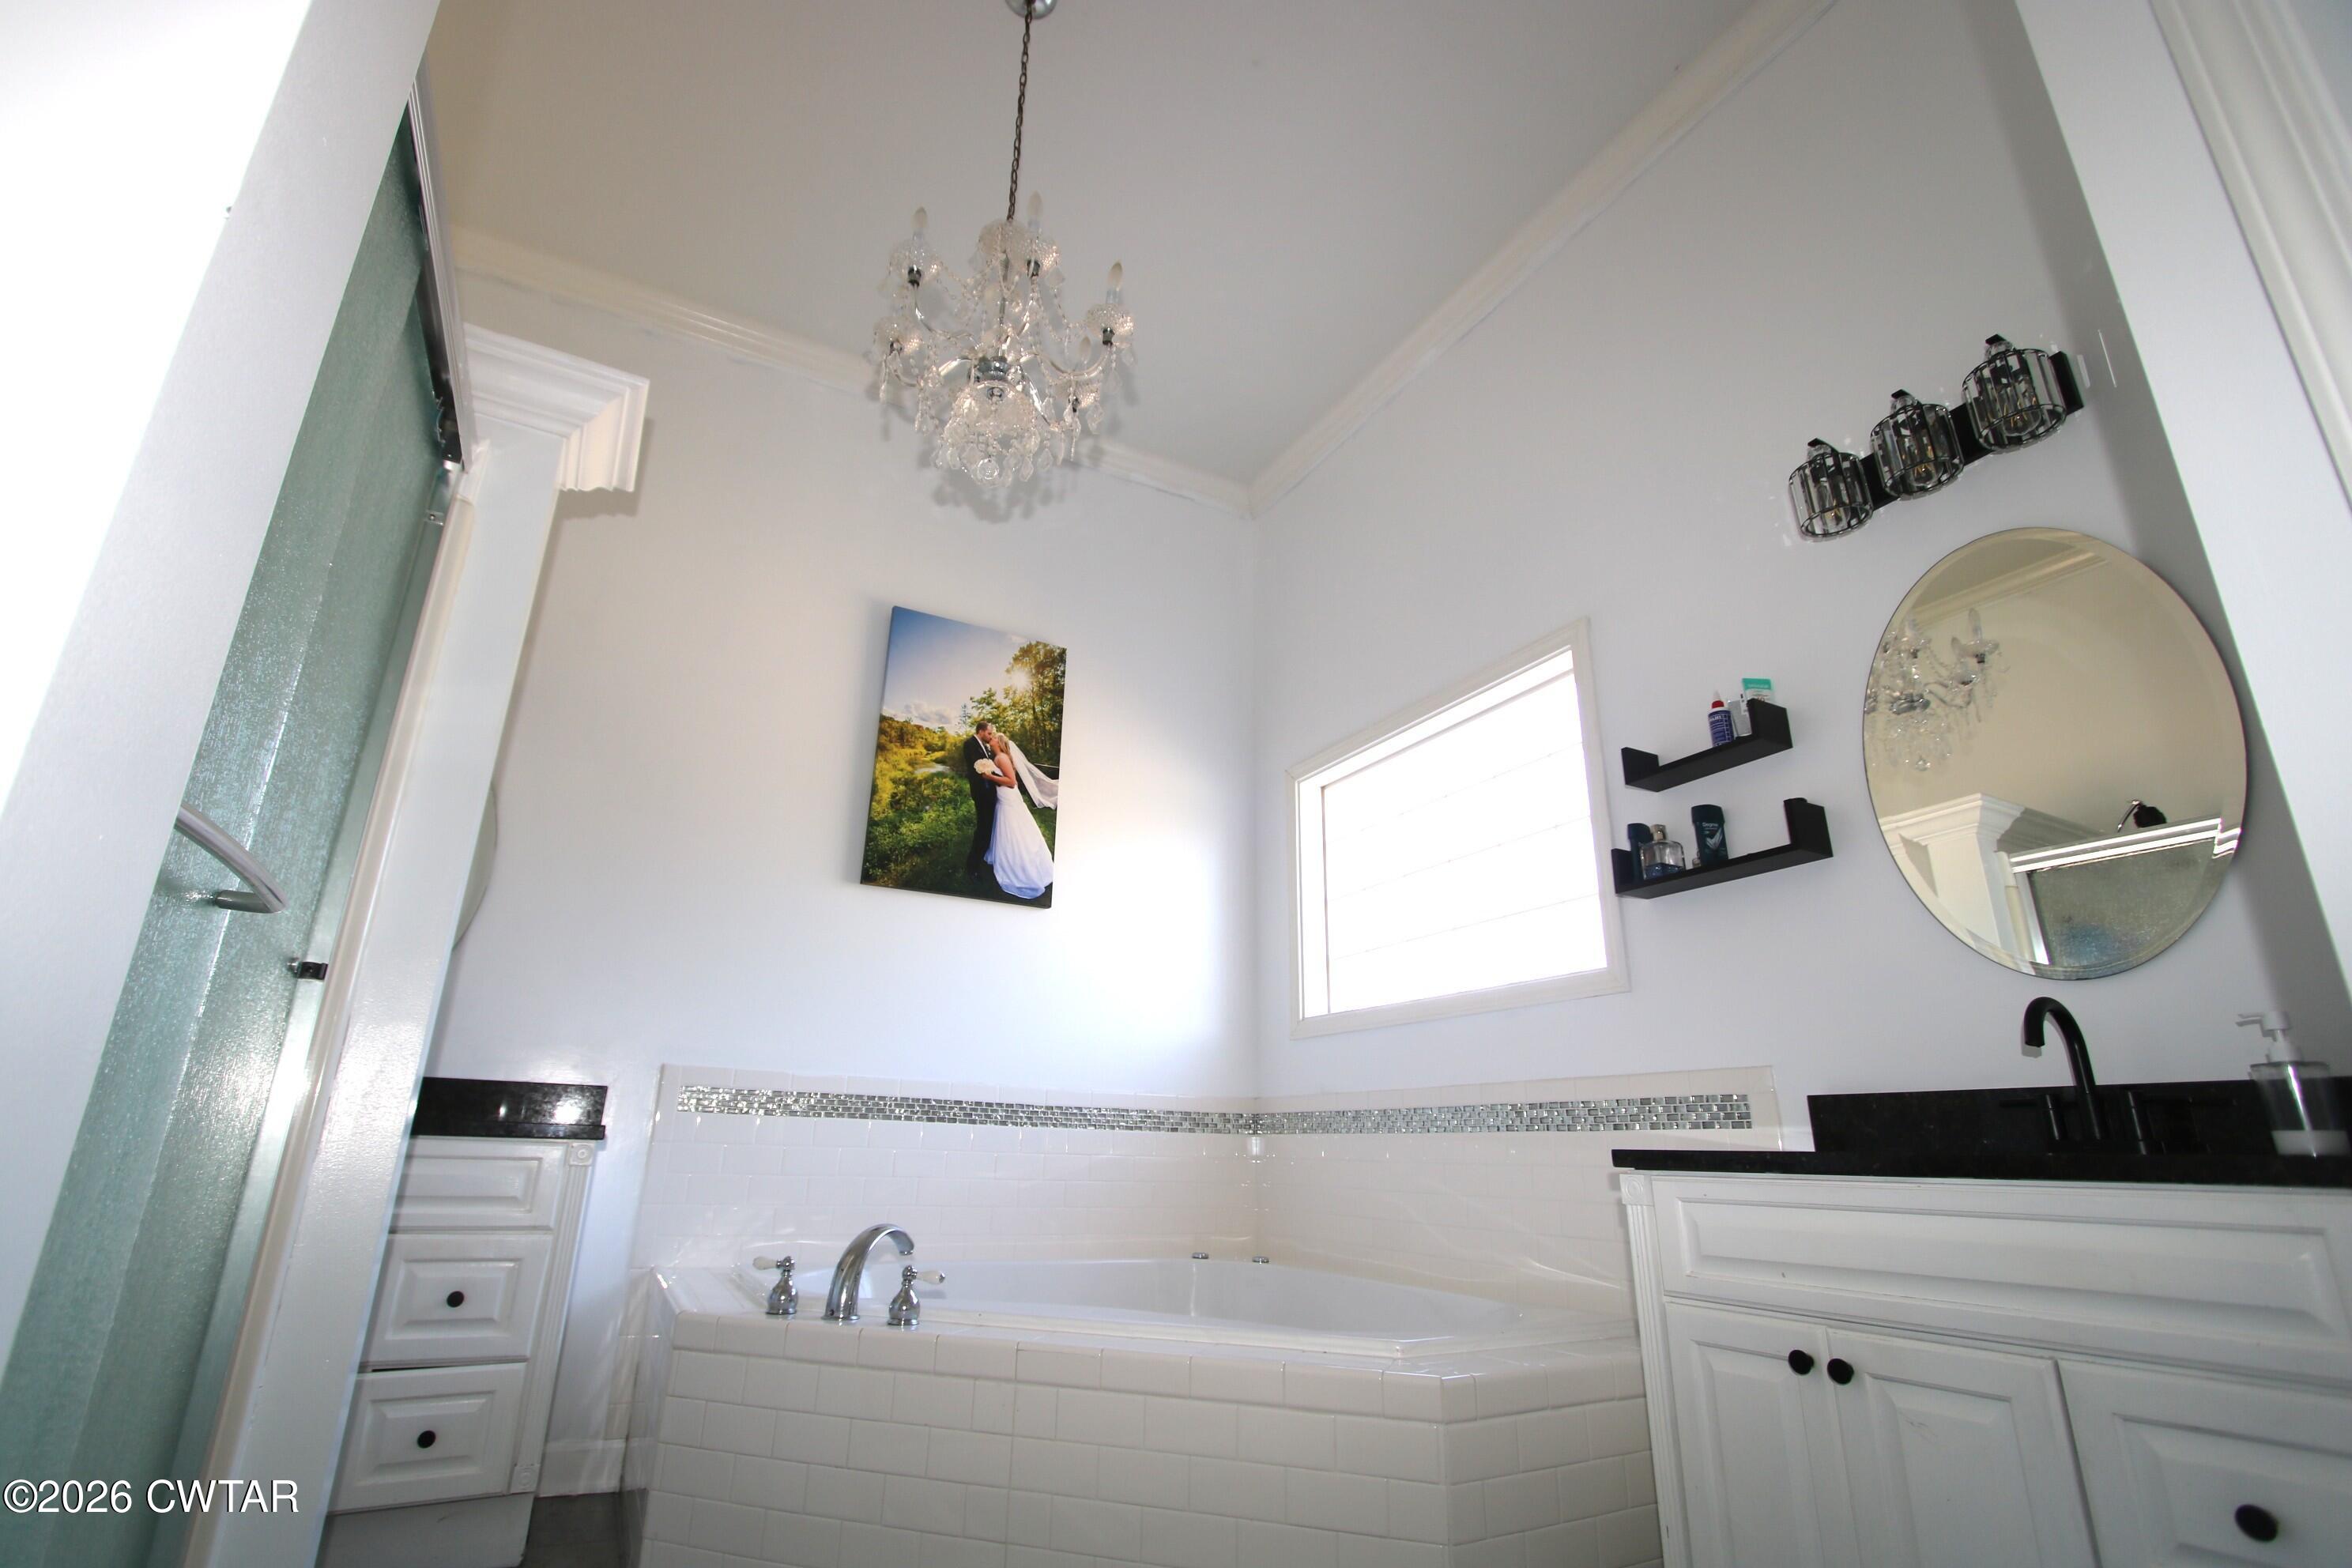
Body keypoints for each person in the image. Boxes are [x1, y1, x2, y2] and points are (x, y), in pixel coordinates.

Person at [974, 729, 1057, 900]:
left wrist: (989, 777)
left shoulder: (1002, 758)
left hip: (1008, 796)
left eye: (994, 737)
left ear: (999, 743)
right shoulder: (998, 757)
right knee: (1006, 825)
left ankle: (1020, 862)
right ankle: (1008, 855)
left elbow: (1012, 782)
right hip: (1004, 796)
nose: (991, 738)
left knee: (1013, 826)